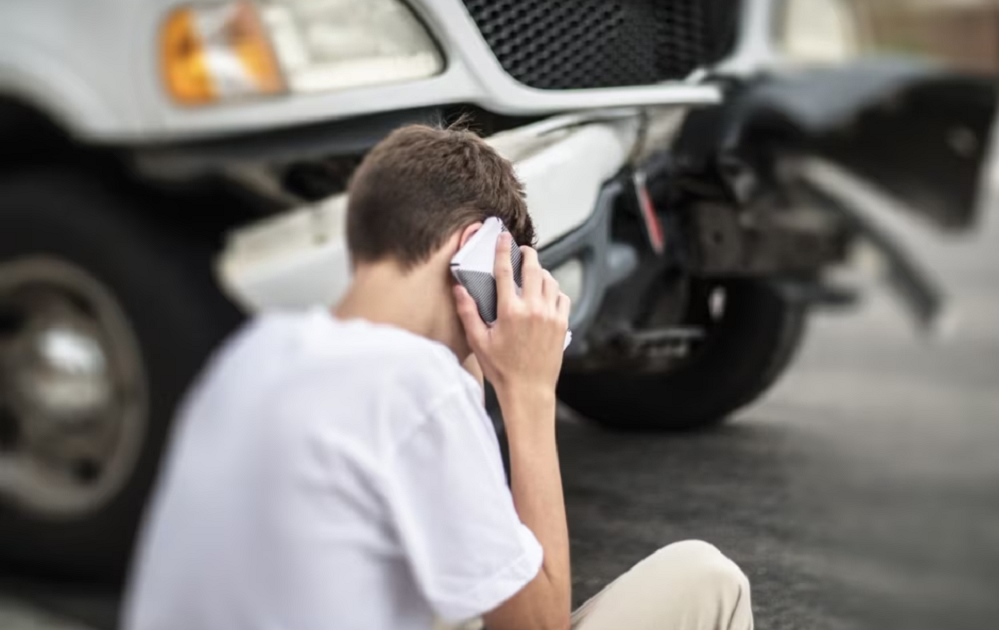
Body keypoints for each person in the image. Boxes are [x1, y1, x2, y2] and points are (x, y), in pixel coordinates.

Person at [122, 124, 754, 630]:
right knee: (709, 577)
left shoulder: (255, 353)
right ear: (475, 252)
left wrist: (478, 355)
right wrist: (531, 394)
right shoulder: (413, 384)